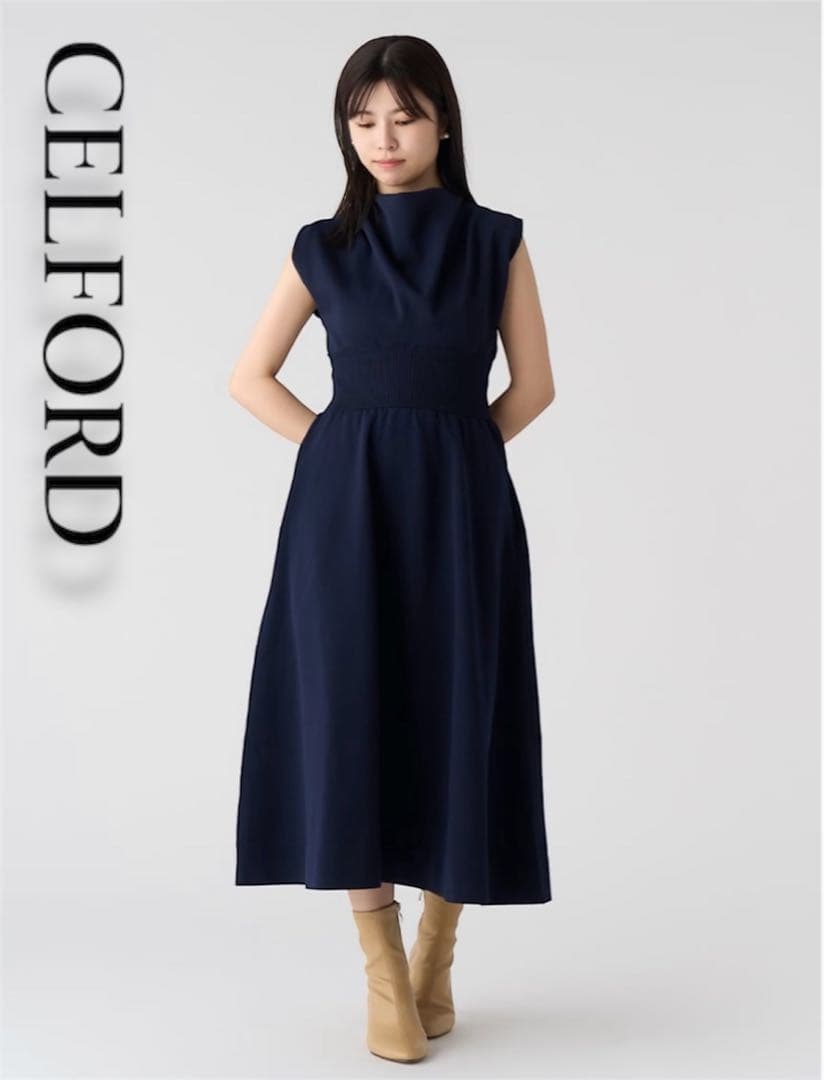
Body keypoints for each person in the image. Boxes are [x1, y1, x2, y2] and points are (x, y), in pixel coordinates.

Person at [229, 35, 556, 1065]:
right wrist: (339, 449)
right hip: (343, 515)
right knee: (350, 717)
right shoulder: (321, 247)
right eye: (362, 119)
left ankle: (435, 958)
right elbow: (249, 377)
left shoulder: (495, 241)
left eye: (403, 117)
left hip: (463, 514)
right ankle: (381, 975)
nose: (382, 137)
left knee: (461, 709)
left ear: (443, 122)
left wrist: (455, 456)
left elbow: (535, 387)